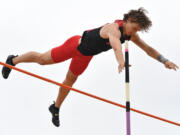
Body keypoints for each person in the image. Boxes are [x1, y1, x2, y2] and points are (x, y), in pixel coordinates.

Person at [1, 7, 179, 127]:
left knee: (70, 81)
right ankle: (13, 60)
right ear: (128, 20)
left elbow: (148, 49)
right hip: (74, 46)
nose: (134, 32)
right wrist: (120, 62)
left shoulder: (130, 35)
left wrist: (164, 61)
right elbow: (116, 45)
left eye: (137, 30)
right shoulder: (113, 29)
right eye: (134, 27)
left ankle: (55, 107)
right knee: (41, 60)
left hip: (85, 56)